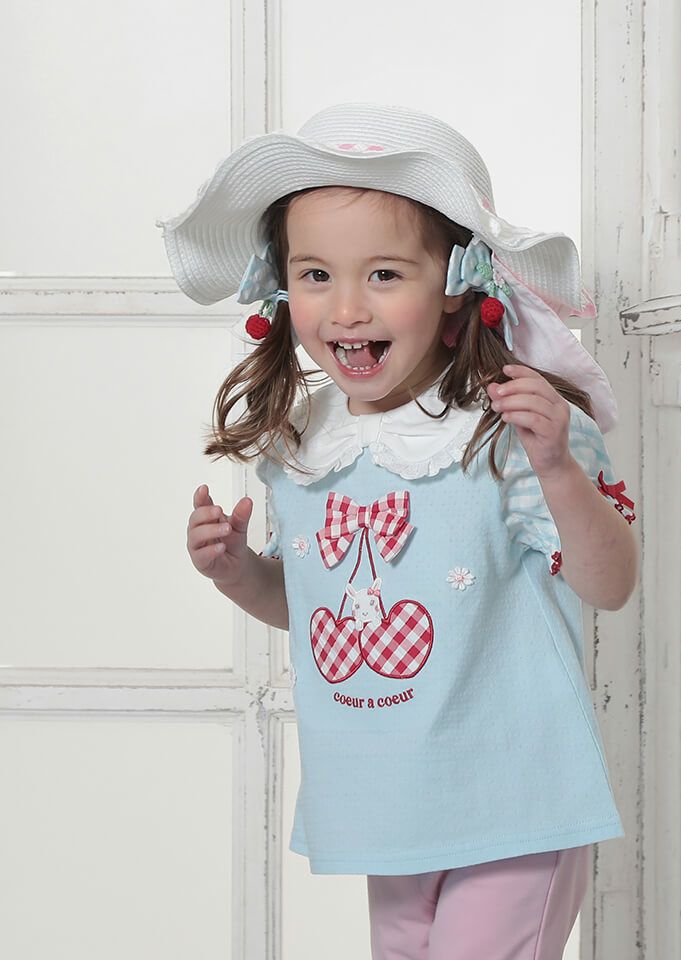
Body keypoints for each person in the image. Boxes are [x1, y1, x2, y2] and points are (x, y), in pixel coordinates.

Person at [160, 102, 638, 960]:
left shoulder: (509, 430)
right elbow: (322, 613)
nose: (346, 308)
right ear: (281, 287)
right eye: (316, 275)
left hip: (510, 800)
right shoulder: (306, 442)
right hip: (392, 806)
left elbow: (610, 585)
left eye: (383, 274)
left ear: (456, 285)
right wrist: (238, 574)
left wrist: (560, 471)